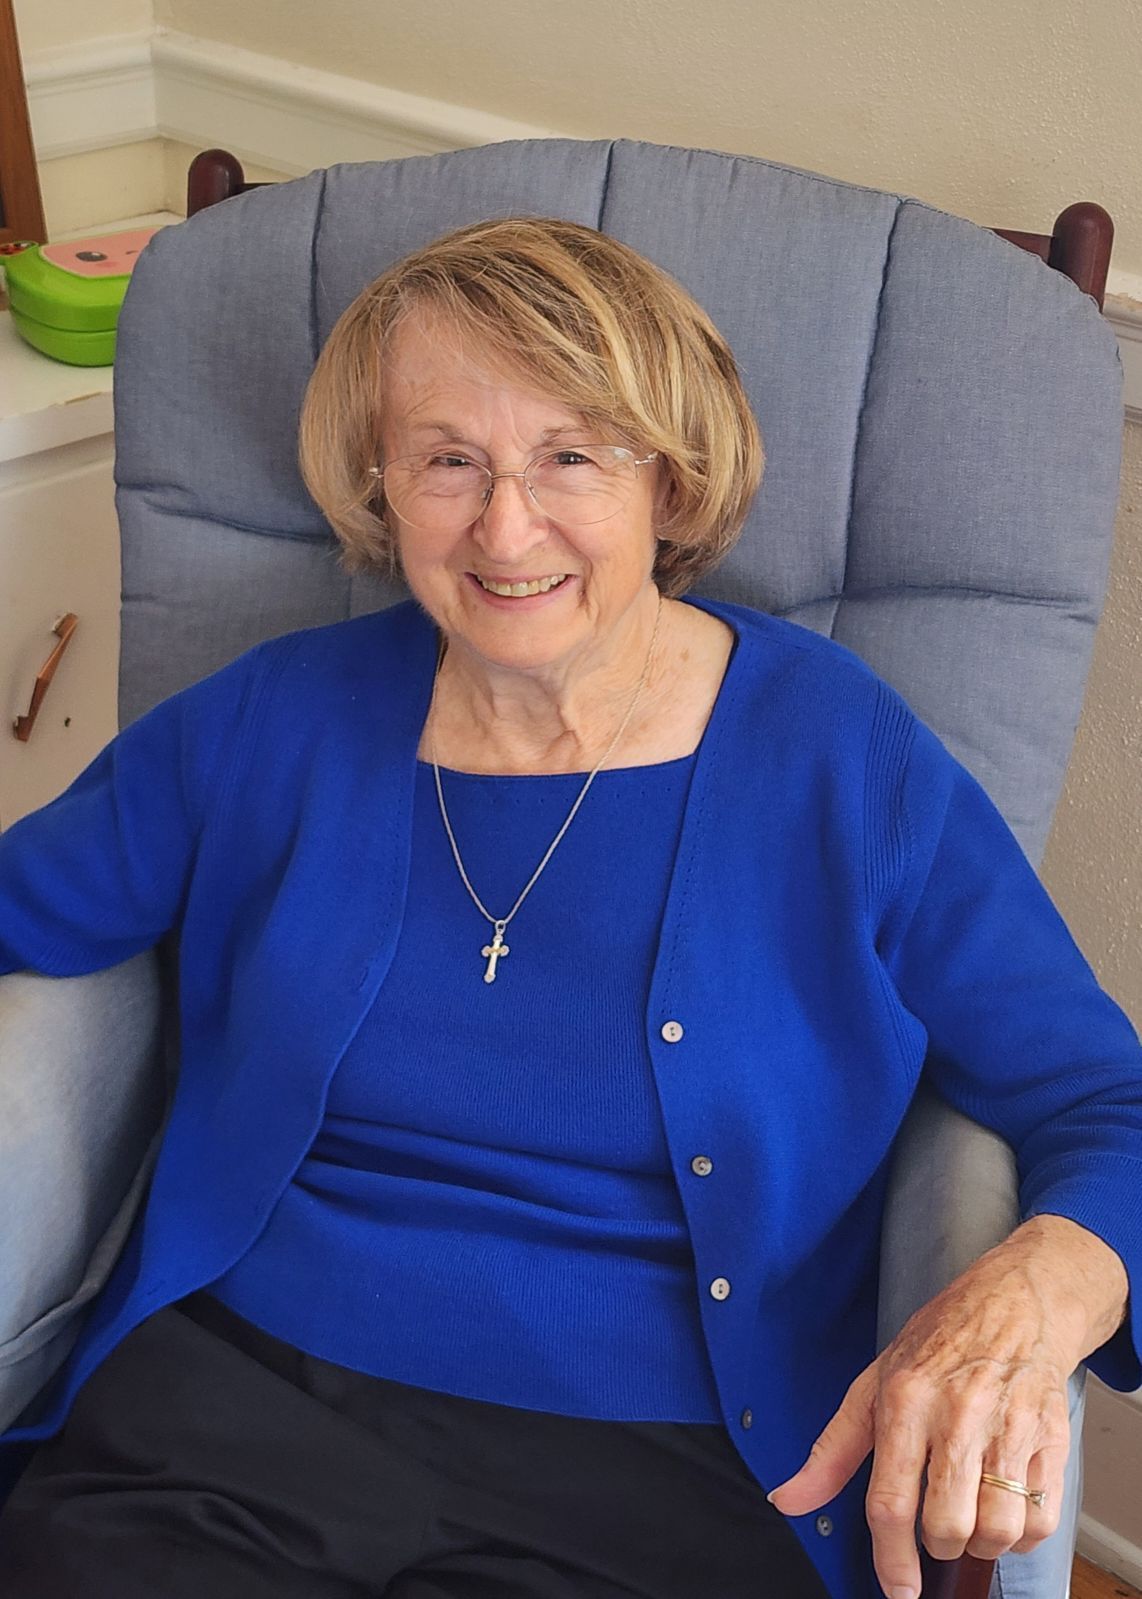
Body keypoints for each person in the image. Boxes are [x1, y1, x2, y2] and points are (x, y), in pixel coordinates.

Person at [0, 216, 1139, 1599]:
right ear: (378, 481)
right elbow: (26, 906)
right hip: (236, 1428)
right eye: (446, 462)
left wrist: (1035, 1291)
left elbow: (1101, 1099)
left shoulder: (841, 762)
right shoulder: (267, 722)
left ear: (669, 479)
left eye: (571, 458)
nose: (504, 526)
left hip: (670, 1471)